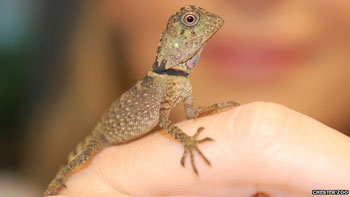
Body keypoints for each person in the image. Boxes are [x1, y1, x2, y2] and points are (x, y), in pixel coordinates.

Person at [23, 0, 349, 195]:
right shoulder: (166, 83)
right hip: (104, 138)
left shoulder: (179, 83)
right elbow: (167, 120)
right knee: (78, 163)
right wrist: (189, 143)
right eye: (189, 22)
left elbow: (190, 114)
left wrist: (211, 112)